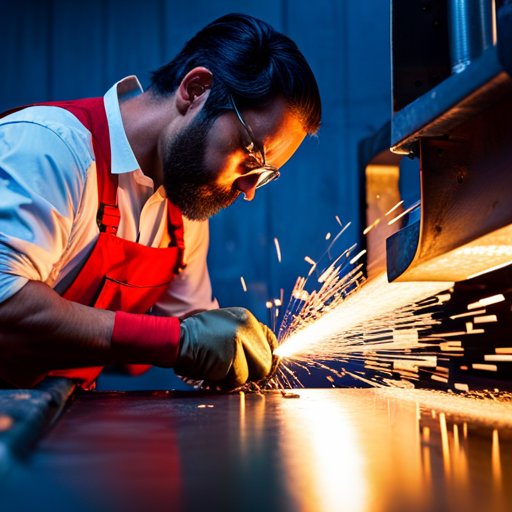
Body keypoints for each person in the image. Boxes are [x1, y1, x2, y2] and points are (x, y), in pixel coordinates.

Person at [0, 14, 321, 390]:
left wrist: (233, 353)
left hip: (49, 415)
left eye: (264, 175)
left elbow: (195, 335)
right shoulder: (50, 149)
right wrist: (180, 342)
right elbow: (7, 303)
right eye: (250, 159)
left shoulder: (185, 211)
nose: (249, 189)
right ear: (196, 90)